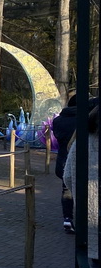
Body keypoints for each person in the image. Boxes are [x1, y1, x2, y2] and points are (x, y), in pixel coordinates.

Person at [64, 104, 99, 260]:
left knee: (94, 263)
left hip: (89, 211)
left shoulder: (81, 141)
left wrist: (82, 198)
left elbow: (68, 177)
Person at [52, 94, 79, 233]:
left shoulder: (57, 121)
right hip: (79, 159)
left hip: (63, 159)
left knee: (66, 189)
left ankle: (67, 218)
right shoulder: (83, 120)